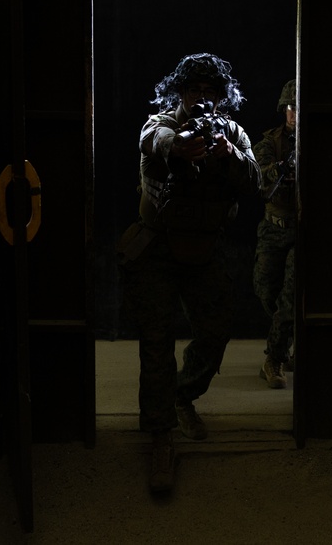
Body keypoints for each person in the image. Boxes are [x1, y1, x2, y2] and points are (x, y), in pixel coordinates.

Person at [116, 52, 262, 493]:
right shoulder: (161, 122)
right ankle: (161, 435)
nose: (202, 97)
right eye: (194, 89)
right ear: (179, 92)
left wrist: (229, 154)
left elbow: (255, 179)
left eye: (210, 91)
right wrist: (178, 146)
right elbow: (154, 138)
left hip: (205, 249)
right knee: (156, 343)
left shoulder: (232, 132)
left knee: (216, 332)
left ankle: (181, 395)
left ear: (222, 97)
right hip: (157, 248)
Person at [253, 79, 297, 389]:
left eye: (299, 108)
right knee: (265, 290)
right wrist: (280, 169)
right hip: (273, 228)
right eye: (291, 107)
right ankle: (286, 337)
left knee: (289, 298)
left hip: (301, 231)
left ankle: (275, 357)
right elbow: (260, 181)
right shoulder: (270, 143)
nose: (294, 114)